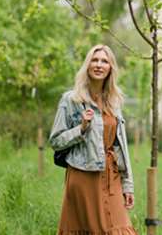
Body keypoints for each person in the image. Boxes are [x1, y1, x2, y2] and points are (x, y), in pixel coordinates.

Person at [49, 44, 137, 235]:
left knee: (120, 227)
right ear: (87, 65)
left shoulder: (114, 101)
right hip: (83, 174)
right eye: (94, 60)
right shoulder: (71, 100)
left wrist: (127, 185)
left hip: (111, 173)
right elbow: (55, 140)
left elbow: (121, 145)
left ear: (111, 68)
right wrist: (80, 129)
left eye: (104, 61)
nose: (99, 65)